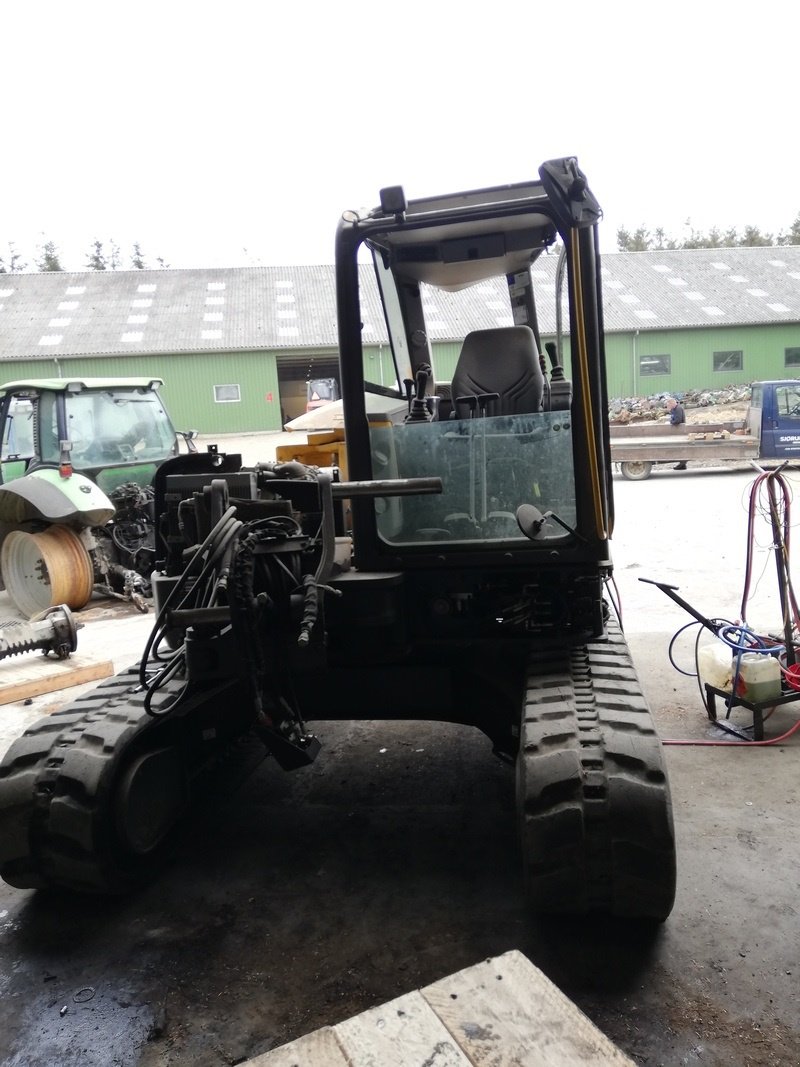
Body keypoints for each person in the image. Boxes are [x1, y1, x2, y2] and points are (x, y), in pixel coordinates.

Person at [665, 397, 687, 470]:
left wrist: (671, 422)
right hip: (678, 430)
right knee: (680, 448)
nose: (668, 407)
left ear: (672, 403)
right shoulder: (674, 409)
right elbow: (673, 417)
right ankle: (682, 464)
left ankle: (682, 464)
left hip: (680, 430)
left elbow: (677, 420)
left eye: (668, 405)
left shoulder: (678, 409)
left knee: (681, 448)